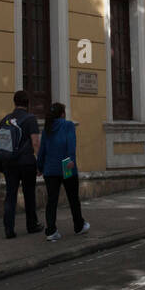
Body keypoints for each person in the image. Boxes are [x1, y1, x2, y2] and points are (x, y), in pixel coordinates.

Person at [37, 102, 90, 242]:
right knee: (73, 198)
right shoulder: (68, 125)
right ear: (62, 113)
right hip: (66, 166)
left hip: (50, 169)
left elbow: (42, 150)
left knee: (52, 200)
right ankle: (79, 226)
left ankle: (51, 231)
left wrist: (40, 167)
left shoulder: (47, 129)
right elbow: (71, 145)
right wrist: (70, 161)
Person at [0, 90, 42, 237]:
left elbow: (0, 143)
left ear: (14, 103)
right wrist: (40, 162)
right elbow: (35, 142)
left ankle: (9, 229)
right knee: (29, 195)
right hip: (27, 162)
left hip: (10, 163)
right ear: (27, 103)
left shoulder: (5, 120)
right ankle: (32, 225)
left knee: (11, 196)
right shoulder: (30, 119)